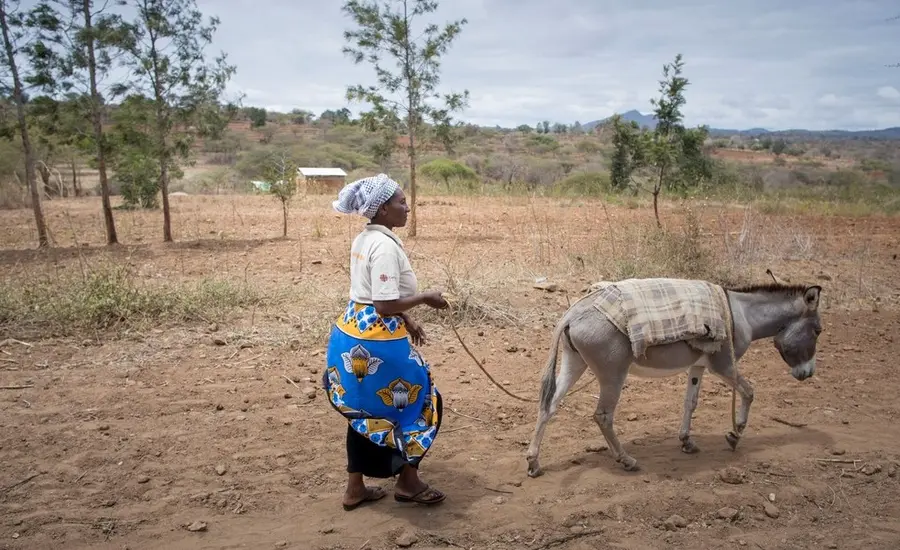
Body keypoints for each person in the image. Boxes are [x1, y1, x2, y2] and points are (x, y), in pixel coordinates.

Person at [323, 173, 450, 511]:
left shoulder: (364, 239)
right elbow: (383, 305)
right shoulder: (384, 248)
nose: (407, 207)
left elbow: (369, 296)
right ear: (381, 210)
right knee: (419, 403)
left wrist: (405, 317)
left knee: (363, 411)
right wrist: (424, 298)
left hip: (352, 333)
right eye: (400, 202)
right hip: (378, 343)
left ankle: (355, 488)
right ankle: (408, 482)